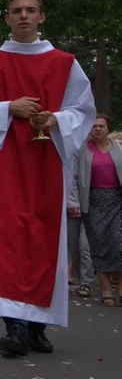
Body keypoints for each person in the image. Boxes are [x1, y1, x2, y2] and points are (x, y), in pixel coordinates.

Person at [0, 0, 95, 356]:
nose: (23, 16)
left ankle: (37, 326)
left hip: (48, 159)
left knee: (43, 238)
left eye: (31, 11)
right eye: (16, 11)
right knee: (8, 239)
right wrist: (7, 108)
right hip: (6, 162)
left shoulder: (66, 62)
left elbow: (83, 111)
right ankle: (14, 325)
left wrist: (56, 119)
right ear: (6, 18)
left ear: (42, 17)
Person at [68, 114, 122, 306]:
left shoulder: (119, 148)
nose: (98, 129)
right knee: (96, 247)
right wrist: (74, 202)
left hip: (116, 201)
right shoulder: (82, 150)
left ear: (108, 128)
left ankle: (120, 287)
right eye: (94, 126)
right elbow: (73, 178)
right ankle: (105, 290)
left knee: (118, 244)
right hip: (92, 201)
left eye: (101, 126)